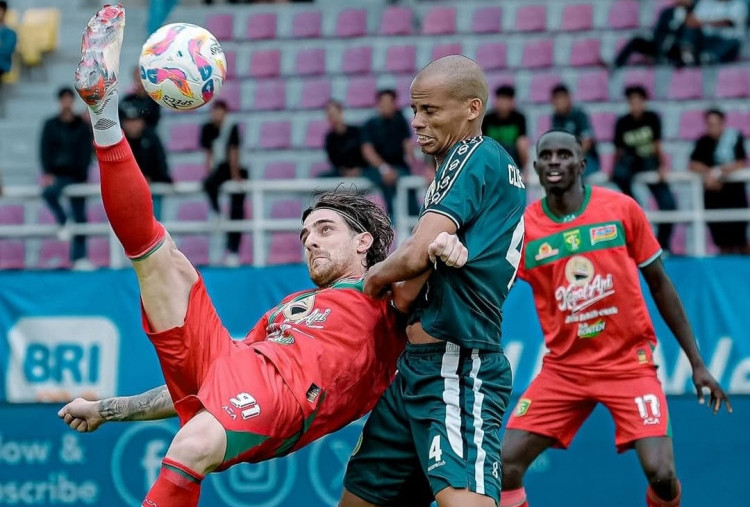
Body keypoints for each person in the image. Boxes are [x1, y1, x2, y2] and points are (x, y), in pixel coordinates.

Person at [67, 6, 466, 506]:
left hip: (289, 399)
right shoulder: (287, 309)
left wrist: (446, 249)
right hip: (241, 362)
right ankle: (103, 113)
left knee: (194, 443)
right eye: (304, 234)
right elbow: (200, 389)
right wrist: (107, 409)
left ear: (364, 241)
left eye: (325, 229)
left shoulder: (385, 293)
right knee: (164, 261)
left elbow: (437, 277)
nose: (311, 241)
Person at [499, 130, 731, 507]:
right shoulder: (524, 231)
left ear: (581, 164)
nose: (555, 161)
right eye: (547, 156)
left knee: (663, 475)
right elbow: (493, 291)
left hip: (629, 365)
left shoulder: (621, 209)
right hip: (564, 370)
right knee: (504, 464)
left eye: (564, 154)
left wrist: (697, 362)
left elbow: (661, 285)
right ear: (536, 166)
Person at [340, 55, 526, 507]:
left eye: (430, 111)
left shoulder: (470, 155)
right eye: (415, 111)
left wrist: (369, 280)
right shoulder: (484, 166)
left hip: (456, 364)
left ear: (472, 108)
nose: (417, 122)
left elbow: (418, 253)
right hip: (417, 370)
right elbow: (425, 266)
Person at [612, 85, 676, 252]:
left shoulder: (652, 118)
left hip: (650, 164)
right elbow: (618, 151)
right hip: (631, 164)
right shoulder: (622, 122)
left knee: (668, 205)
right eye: (632, 102)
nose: (635, 105)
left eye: (638, 101)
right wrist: (613, 169)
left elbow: (657, 145)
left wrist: (662, 165)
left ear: (644, 102)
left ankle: (664, 245)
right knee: (619, 175)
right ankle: (634, 205)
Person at [39, 86, 93, 270]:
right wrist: (48, 172)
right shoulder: (50, 125)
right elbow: (45, 150)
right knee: (49, 193)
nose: (67, 103)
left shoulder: (81, 125)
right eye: (64, 99)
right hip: (60, 174)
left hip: (77, 175)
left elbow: (86, 151)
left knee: (80, 216)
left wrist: (84, 174)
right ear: (60, 101)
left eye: (69, 99)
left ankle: (79, 257)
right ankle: (63, 220)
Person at [689, 108, 748, 254]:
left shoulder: (734, 137)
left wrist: (718, 173)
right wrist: (709, 173)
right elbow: (693, 164)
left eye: (715, 123)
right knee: (722, 243)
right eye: (709, 124)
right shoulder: (703, 141)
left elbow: (741, 163)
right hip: (713, 199)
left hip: (735, 198)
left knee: (740, 240)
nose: (712, 127)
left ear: (722, 123)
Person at [200, 98, 247, 267]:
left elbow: (234, 152)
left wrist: (236, 176)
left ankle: (233, 250)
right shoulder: (207, 128)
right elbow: (209, 154)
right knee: (208, 183)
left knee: (237, 210)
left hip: (236, 169)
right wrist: (210, 174)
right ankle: (216, 211)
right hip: (220, 168)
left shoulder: (231, 127)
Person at [361, 89, 418, 218]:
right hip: (376, 169)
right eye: (383, 103)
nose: (386, 106)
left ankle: (414, 221)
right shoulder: (370, 125)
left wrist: (415, 163)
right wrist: (384, 169)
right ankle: (388, 220)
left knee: (408, 185)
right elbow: (367, 151)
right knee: (384, 183)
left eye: (389, 102)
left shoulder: (400, 121)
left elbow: (407, 145)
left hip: (399, 168)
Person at [120, 99, 171, 220]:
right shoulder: (120, 141)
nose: (133, 124)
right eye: (129, 121)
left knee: (154, 222)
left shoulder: (151, 137)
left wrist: (155, 178)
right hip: (128, 190)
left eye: (136, 120)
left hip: (152, 189)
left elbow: (160, 163)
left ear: (142, 122)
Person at [613, 0, 694, 69]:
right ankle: (616, 65)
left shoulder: (693, 15)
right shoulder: (668, 12)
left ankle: (688, 69)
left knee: (687, 47)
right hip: (660, 45)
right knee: (635, 42)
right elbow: (658, 31)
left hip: (677, 46)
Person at [550, 84, 600, 179]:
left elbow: (587, 142)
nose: (558, 103)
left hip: (586, 159)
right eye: (555, 100)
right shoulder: (556, 118)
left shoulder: (579, 115)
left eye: (560, 99)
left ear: (568, 98)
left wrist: (572, 158)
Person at [680, 0, 747, 64]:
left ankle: (709, 57)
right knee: (691, 30)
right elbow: (690, 21)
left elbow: (727, 22)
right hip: (708, 39)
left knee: (732, 44)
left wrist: (703, 22)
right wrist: (686, 7)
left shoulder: (739, 4)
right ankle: (688, 57)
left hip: (727, 41)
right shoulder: (705, 3)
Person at [320, 99, 372, 180]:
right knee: (321, 178)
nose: (332, 117)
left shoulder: (356, 132)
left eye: (334, 113)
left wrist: (357, 170)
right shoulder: (330, 138)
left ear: (340, 112)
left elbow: (366, 154)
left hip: (362, 171)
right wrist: (345, 171)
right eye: (330, 115)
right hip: (342, 173)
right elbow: (334, 160)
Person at [481, 85, 529, 170]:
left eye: (506, 99)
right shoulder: (488, 118)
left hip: (513, 156)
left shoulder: (519, 118)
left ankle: (524, 170)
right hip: (493, 155)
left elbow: (523, 140)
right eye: (501, 99)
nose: (503, 103)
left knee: (523, 143)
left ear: (512, 101)